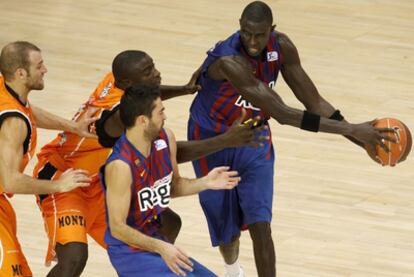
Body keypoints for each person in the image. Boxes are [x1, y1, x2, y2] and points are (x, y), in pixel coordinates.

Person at [187, 2, 396, 277]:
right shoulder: (229, 61)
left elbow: (314, 102)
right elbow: (284, 114)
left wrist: (361, 139)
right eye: (246, 33)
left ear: (271, 31)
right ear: (239, 25)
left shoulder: (281, 47)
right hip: (212, 137)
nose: (251, 41)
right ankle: (232, 270)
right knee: (228, 232)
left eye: (259, 35)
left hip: (253, 134)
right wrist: (354, 130)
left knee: (261, 224)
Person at [32, 49, 267, 277]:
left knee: (168, 222)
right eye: (148, 71)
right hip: (65, 180)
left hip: (97, 180)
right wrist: (225, 140)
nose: (156, 74)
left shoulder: (117, 83)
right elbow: (172, 153)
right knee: (74, 258)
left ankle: (150, 266)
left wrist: (184, 89)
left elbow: (144, 94)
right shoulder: (117, 122)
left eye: (152, 67)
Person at [101, 85, 242, 276]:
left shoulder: (166, 138)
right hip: (129, 253)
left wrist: (206, 182)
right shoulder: (121, 166)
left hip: (155, 241)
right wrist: (161, 246)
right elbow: (117, 228)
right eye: (160, 112)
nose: (165, 117)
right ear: (143, 120)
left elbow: (173, 186)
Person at [0, 41, 96, 277]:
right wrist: (58, 185)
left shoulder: (5, 88)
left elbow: (28, 111)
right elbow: (11, 181)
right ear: (21, 73)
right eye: (39, 65)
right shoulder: (14, 125)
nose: (45, 70)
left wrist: (73, 127)